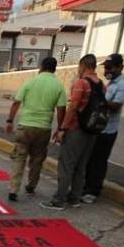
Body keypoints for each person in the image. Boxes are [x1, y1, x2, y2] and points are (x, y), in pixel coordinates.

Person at [42, 54, 102, 210]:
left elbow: (73, 107)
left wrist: (62, 128)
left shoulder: (81, 83)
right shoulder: (101, 84)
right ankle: (74, 198)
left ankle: (59, 200)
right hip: (92, 130)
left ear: (83, 65)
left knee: (66, 165)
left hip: (76, 129)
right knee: (81, 166)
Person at [4, 56, 67, 201]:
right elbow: (61, 109)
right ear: (54, 69)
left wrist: (9, 121)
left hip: (25, 126)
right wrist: (60, 129)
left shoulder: (30, 82)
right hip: (43, 128)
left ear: (41, 67)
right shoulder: (58, 85)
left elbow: (16, 102)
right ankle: (31, 186)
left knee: (19, 157)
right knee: (37, 159)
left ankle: (14, 189)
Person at [82, 53, 124, 203]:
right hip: (97, 127)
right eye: (106, 67)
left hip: (108, 130)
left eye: (110, 67)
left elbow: (115, 106)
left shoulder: (122, 85)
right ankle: (86, 187)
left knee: (99, 161)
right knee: (89, 159)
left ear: (120, 67)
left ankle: (93, 191)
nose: (107, 71)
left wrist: (99, 98)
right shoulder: (109, 83)